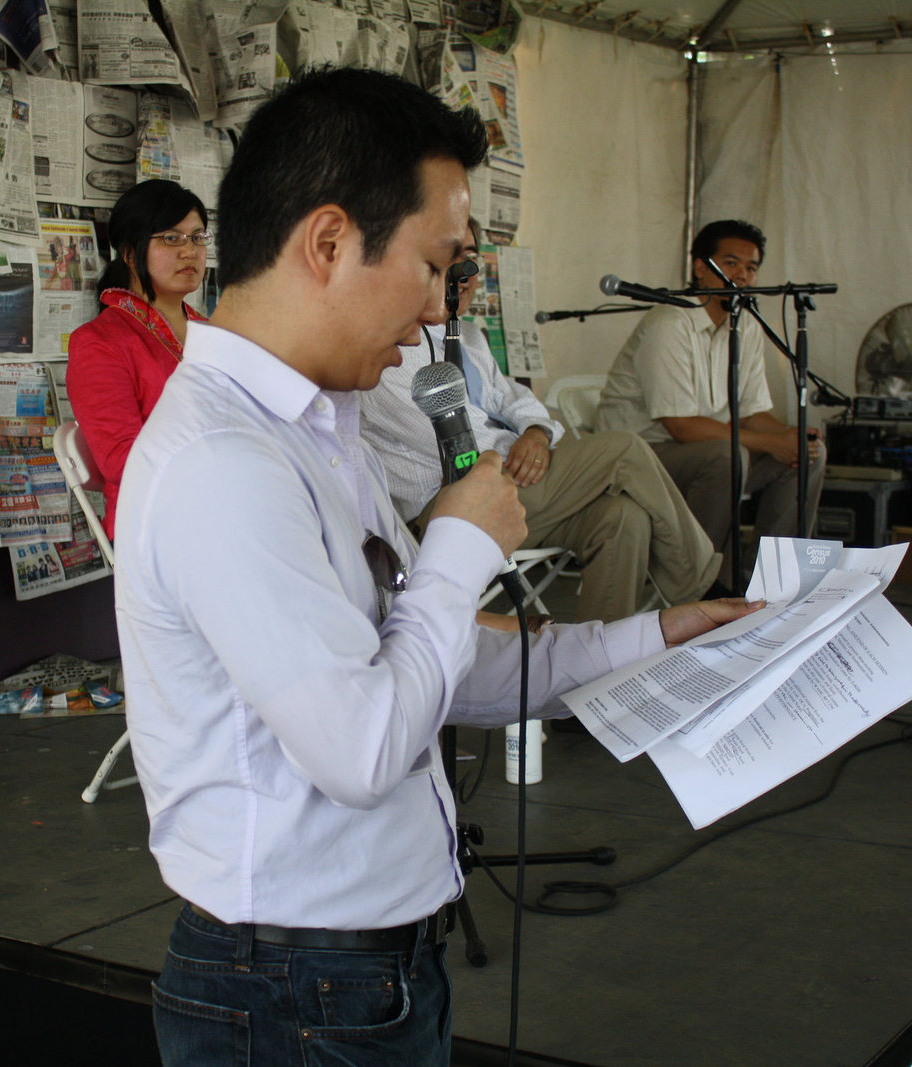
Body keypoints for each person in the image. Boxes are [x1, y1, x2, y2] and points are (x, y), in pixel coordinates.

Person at [114, 67, 760, 1065]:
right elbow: (363, 747)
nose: (431, 313)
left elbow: (432, 662)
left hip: (359, 966)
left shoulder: (319, 432)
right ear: (327, 242)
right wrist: (460, 542)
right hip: (292, 985)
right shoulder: (222, 461)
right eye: (430, 265)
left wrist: (655, 635)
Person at [361, 216, 721, 622]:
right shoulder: (390, 346)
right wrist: (531, 448)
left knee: (624, 518)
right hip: (446, 506)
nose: (465, 273)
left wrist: (535, 434)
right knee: (623, 449)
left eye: (472, 260)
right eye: (450, 258)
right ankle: (702, 584)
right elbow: (459, 446)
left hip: (512, 485)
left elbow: (519, 400)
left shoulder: (471, 336)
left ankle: (598, 663)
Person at [595, 218, 824, 589]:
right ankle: (700, 581)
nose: (743, 276)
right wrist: (772, 443)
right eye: (731, 263)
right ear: (700, 268)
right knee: (727, 455)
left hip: (708, 453)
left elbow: (751, 412)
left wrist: (789, 436)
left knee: (809, 453)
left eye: (751, 267)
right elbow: (681, 427)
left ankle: (768, 582)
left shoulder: (745, 323)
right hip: (641, 457)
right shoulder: (670, 322)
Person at [64, 179, 208, 538]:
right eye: (171, 238)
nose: (190, 251)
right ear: (130, 253)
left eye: (198, 237)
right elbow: (122, 462)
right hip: (156, 529)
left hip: (223, 510)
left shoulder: (214, 333)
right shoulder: (99, 343)